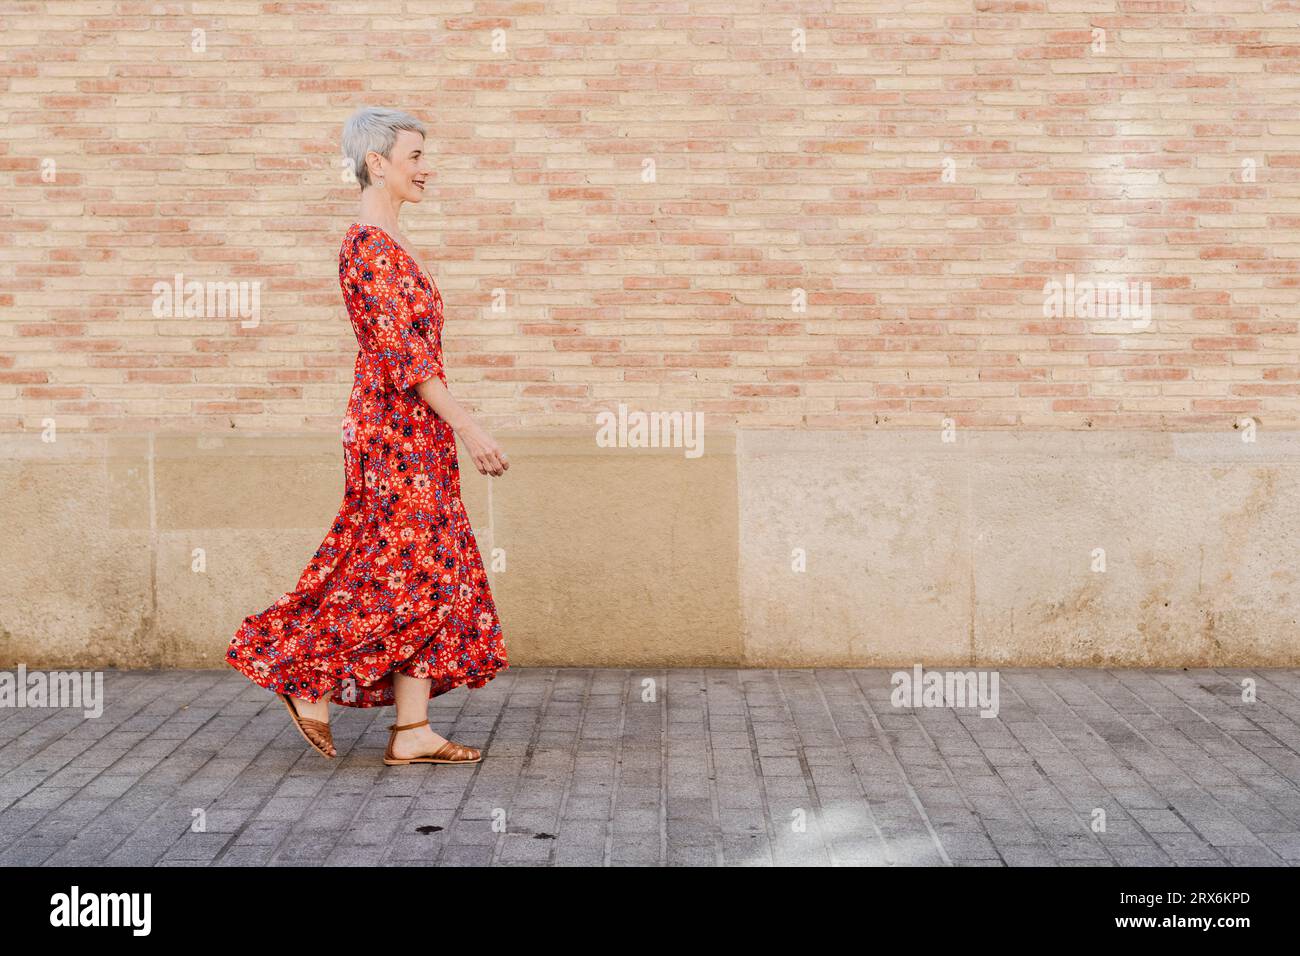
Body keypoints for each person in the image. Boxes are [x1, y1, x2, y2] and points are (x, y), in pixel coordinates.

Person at [226, 106, 510, 766]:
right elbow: (402, 355)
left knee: (427, 573)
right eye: (414, 157)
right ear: (377, 162)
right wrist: (469, 427)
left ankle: (412, 730)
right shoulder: (368, 248)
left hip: (416, 433)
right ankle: (304, 674)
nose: (425, 168)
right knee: (403, 575)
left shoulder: (391, 243)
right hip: (395, 436)